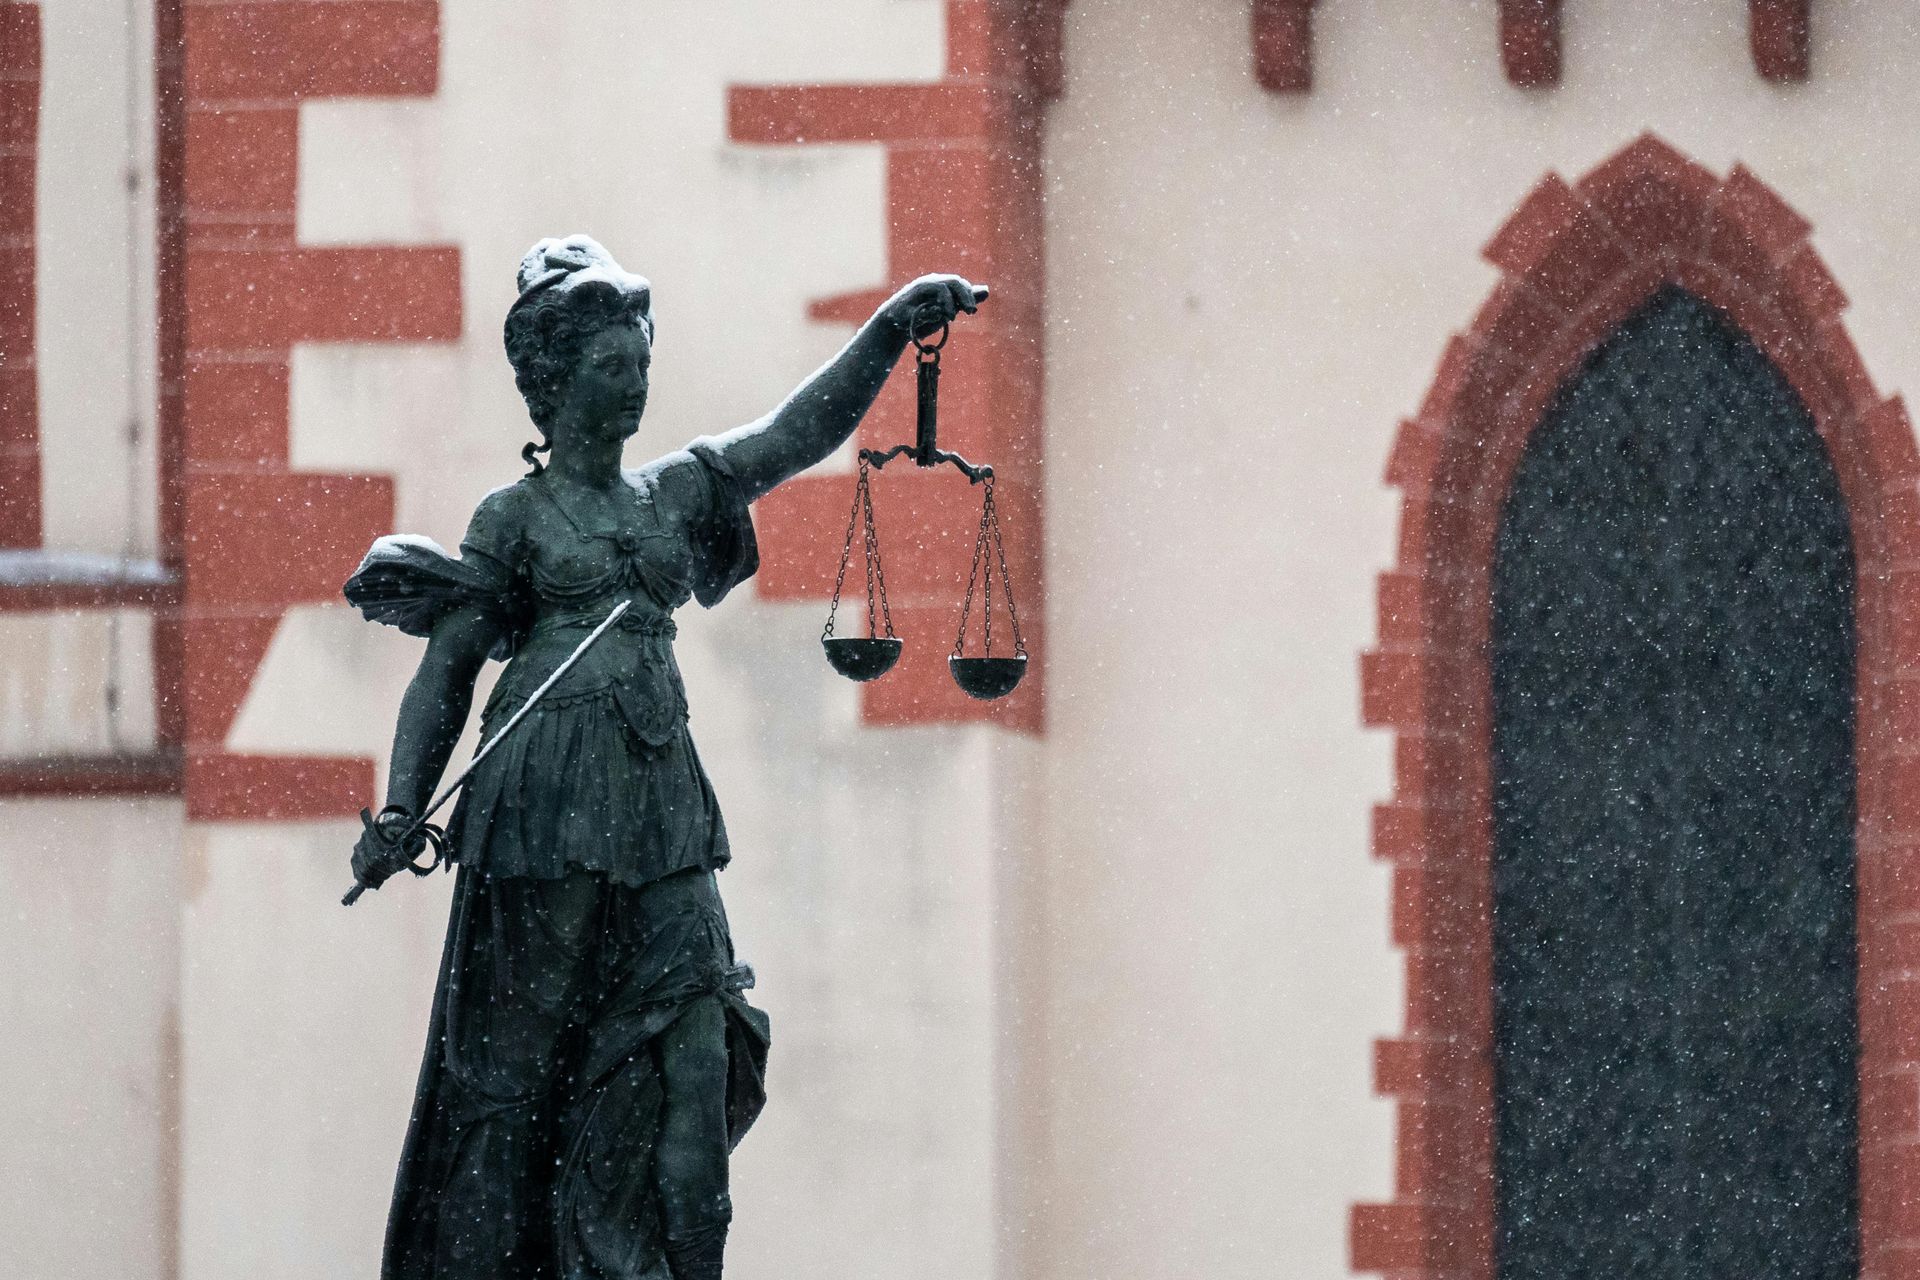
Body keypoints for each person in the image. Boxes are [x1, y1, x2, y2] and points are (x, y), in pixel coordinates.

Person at [343, 234, 985, 1280]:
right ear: (555, 382)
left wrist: (885, 331)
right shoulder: (512, 520)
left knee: (698, 1053)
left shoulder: (675, 493)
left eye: (641, 353)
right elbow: (446, 675)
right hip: (542, 809)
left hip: (659, 811)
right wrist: (400, 808)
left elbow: (790, 436)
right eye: (612, 360)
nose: (636, 373)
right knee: (522, 1082)